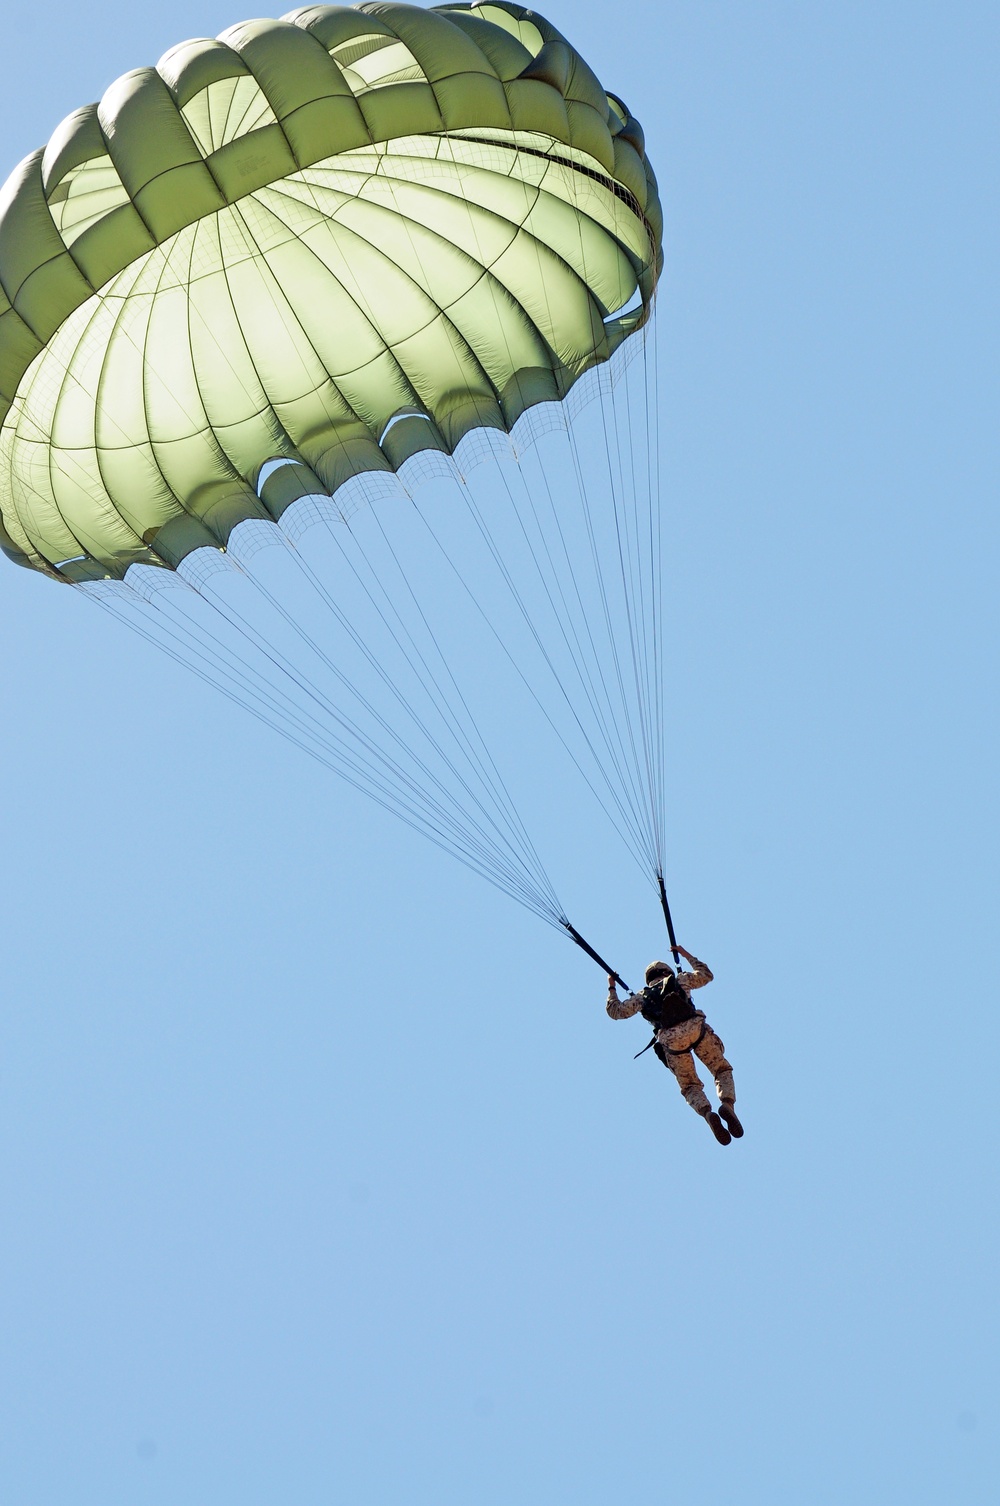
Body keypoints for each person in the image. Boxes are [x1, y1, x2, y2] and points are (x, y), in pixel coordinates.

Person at [606, 946, 743, 1145]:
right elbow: (706, 975)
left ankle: (707, 1113)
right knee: (721, 1069)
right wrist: (685, 954)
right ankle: (728, 1105)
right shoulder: (680, 980)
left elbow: (615, 1012)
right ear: (667, 972)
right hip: (696, 1029)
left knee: (689, 1086)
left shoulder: (641, 997)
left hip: (672, 1041)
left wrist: (611, 986)